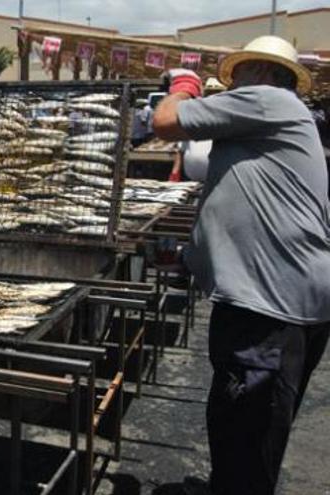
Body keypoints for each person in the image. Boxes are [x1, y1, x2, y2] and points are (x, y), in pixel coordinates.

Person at [153, 36, 330, 495]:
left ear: (265, 75)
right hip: (272, 300)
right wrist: (195, 254)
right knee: (240, 426)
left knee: (250, 432)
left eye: (241, 76)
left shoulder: (270, 101)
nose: (233, 85)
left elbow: (165, 120)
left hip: (269, 307)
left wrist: (184, 83)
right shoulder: (275, 118)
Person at [168, 78, 227, 182]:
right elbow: (181, 149)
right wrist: (175, 172)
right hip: (191, 180)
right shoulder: (193, 116)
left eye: (217, 93)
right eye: (210, 93)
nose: (213, 97)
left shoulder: (229, 119)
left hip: (218, 180)